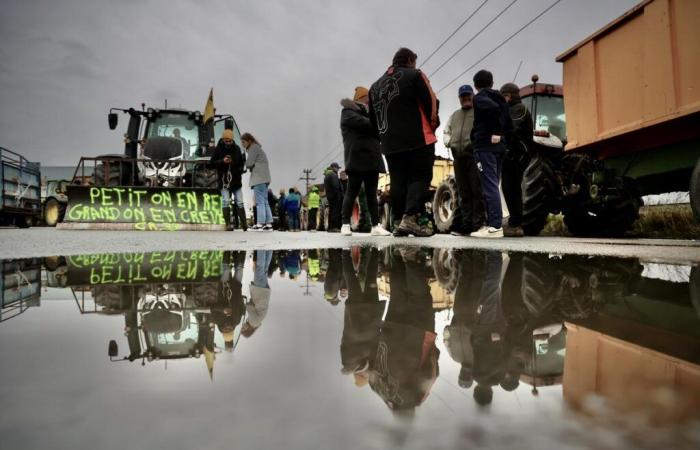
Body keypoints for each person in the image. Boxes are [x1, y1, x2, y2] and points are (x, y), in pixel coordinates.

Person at [368, 47, 440, 237]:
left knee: (398, 180)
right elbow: (431, 102)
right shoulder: (415, 75)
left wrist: (382, 137)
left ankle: (398, 220)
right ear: (409, 60)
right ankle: (410, 219)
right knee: (420, 176)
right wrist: (433, 125)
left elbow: (372, 119)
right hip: (417, 137)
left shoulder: (374, 87)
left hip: (389, 143)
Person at [339, 86, 392, 237]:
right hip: (356, 158)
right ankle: (345, 224)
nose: (370, 101)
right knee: (352, 192)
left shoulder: (368, 114)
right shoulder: (348, 112)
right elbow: (367, 125)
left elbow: (378, 130)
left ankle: (375, 225)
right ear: (361, 99)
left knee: (371, 193)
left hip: (372, 158)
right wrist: (374, 122)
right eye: (367, 98)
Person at [469, 69, 513, 238]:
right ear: (492, 82)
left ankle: (495, 226)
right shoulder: (501, 98)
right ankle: (491, 224)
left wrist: (491, 132)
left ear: (476, 85)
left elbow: (492, 109)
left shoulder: (479, 97)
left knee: (489, 185)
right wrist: (501, 135)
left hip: (485, 146)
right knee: (494, 184)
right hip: (499, 147)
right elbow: (509, 123)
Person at [443, 85, 485, 235]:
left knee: (476, 190)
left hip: (474, 157)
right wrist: (449, 142)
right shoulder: (454, 115)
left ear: (473, 96)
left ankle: (478, 225)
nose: (466, 98)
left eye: (468, 95)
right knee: (463, 192)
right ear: (459, 98)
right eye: (463, 96)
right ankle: (466, 226)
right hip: (458, 158)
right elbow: (446, 131)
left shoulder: (479, 113)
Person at [500, 83, 533, 237]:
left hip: (518, 155)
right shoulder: (509, 109)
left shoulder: (519, 108)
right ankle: (514, 221)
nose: (503, 98)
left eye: (504, 95)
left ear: (511, 95)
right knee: (508, 187)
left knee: (511, 187)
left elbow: (512, 128)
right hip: (510, 154)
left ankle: (516, 223)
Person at [210, 129, 247, 231]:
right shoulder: (218, 149)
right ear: (223, 139)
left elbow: (241, 163)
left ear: (232, 140)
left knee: (240, 202)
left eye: (230, 140)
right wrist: (222, 161)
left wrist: (239, 169)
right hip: (224, 181)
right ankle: (228, 224)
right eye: (226, 140)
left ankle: (244, 225)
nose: (228, 142)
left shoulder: (237, 149)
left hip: (236, 180)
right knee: (225, 201)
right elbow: (211, 163)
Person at [242, 132, 273, 231]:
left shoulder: (253, 148)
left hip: (259, 178)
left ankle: (260, 223)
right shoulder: (258, 148)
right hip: (265, 178)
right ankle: (268, 223)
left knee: (259, 201)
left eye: (244, 142)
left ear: (249, 141)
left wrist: (244, 162)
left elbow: (249, 163)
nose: (243, 144)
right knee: (264, 201)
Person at [242, 250, 272, 339]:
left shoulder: (258, 322)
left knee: (264, 268)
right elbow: (250, 308)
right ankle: (261, 249)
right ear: (248, 330)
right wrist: (242, 306)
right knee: (259, 267)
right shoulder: (253, 322)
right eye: (243, 329)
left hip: (264, 291)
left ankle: (268, 249)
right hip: (259, 291)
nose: (242, 326)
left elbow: (253, 307)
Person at [323, 162, 343, 232]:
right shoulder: (333, 174)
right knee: (335, 212)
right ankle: (334, 227)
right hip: (335, 197)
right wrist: (338, 195)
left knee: (331, 212)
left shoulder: (327, 175)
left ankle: (330, 227)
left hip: (330, 196)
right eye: (337, 168)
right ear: (334, 167)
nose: (338, 169)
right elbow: (335, 186)